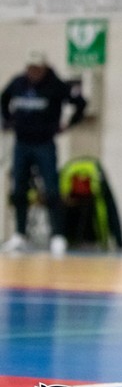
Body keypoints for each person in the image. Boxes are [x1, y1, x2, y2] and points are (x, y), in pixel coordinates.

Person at [1, 51, 87, 255]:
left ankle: (57, 235)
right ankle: (19, 234)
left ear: (44, 68)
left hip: (44, 144)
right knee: (19, 188)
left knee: (51, 189)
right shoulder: (18, 83)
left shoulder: (55, 85)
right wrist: (8, 120)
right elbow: (3, 99)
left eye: (37, 68)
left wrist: (69, 124)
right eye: (30, 68)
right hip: (22, 144)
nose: (33, 72)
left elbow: (80, 103)